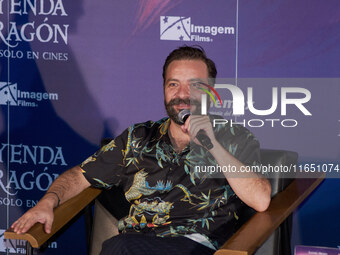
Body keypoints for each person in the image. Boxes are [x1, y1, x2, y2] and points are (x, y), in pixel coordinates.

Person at [11, 46, 271, 255]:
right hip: (137, 242)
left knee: (120, 247)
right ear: (163, 89)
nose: (182, 94)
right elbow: (79, 176)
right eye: (173, 84)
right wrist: (48, 201)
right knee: (122, 246)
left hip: (196, 246)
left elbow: (260, 199)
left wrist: (212, 145)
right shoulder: (138, 138)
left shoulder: (234, 137)